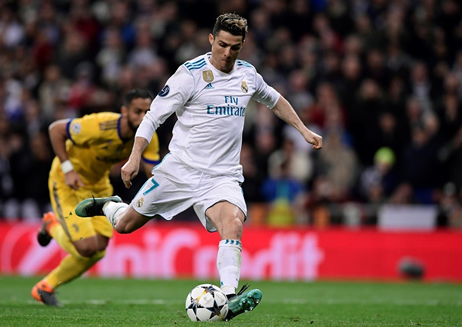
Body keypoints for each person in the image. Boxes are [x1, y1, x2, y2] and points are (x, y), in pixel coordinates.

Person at [75, 13, 322, 320]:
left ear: (243, 45)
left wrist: (304, 130)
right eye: (222, 45)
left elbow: (275, 99)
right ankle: (110, 205)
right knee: (125, 225)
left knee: (233, 224)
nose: (227, 53)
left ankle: (229, 298)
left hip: (222, 176)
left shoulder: (248, 75)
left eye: (234, 47)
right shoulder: (189, 74)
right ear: (210, 40)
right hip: (178, 171)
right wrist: (135, 156)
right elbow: (153, 116)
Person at [31, 89, 160, 306]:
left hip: (98, 187)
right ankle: (51, 224)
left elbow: (153, 172)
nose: (143, 117)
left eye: (148, 112)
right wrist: (68, 168)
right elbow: (55, 130)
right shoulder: (101, 125)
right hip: (68, 181)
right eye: (138, 111)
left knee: (99, 249)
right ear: (124, 111)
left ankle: (45, 286)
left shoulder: (149, 136)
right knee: (87, 247)